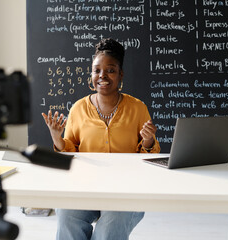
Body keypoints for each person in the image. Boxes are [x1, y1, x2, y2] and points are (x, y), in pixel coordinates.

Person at [42, 38, 160, 240]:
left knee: (108, 231)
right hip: (86, 187)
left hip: (126, 189)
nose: (102, 76)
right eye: (97, 70)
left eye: (110, 70)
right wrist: (57, 137)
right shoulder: (79, 108)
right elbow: (71, 153)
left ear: (121, 74)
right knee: (66, 217)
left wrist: (148, 140)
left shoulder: (137, 108)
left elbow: (147, 155)